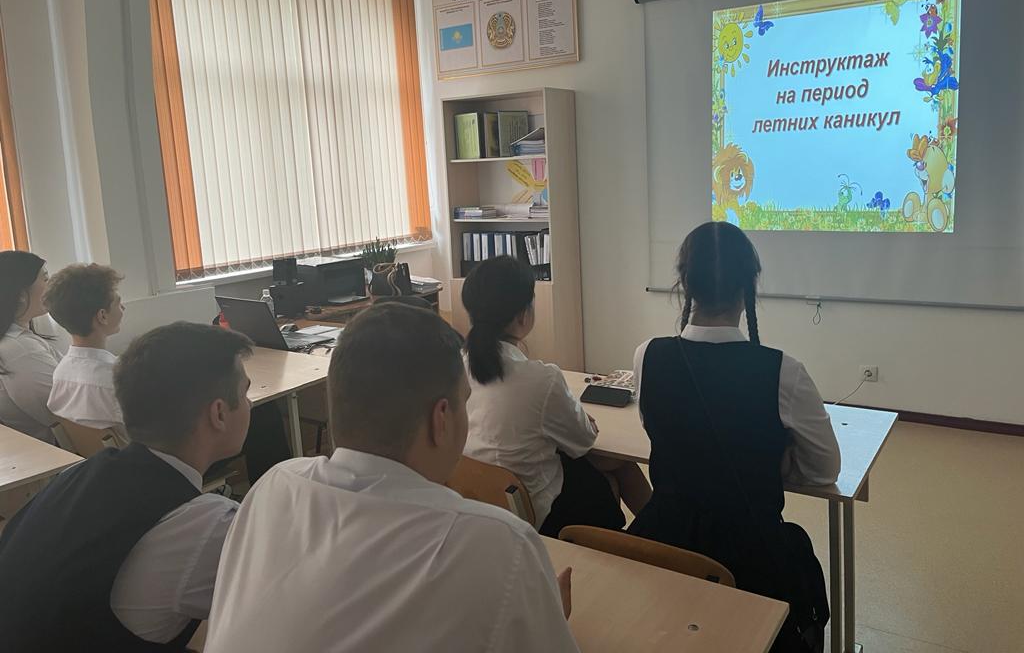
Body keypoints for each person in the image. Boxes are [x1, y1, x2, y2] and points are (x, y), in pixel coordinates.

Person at [204, 303, 579, 653]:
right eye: (464, 403)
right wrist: (541, 615)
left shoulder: (272, 487)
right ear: (442, 419)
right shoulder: (498, 545)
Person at [627, 222, 840, 653]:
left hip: (664, 547)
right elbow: (824, 470)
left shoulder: (647, 356)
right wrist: (773, 461)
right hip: (750, 560)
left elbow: (661, 433)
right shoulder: (784, 371)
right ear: (748, 288)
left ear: (685, 284)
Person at [0, 322, 253, 651]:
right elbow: (282, 606)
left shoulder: (77, 475)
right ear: (218, 413)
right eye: (244, 393)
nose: (249, 404)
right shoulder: (205, 525)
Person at [460, 256, 650, 537]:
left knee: (607, 463)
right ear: (523, 315)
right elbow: (584, 439)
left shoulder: (454, 367)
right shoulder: (542, 379)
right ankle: (655, 541)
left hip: (477, 500)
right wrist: (583, 420)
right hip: (531, 510)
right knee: (615, 467)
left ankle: (652, 537)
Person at [44, 262, 128, 442]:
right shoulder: (118, 379)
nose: (123, 308)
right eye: (119, 303)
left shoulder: (61, 373)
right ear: (102, 316)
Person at [0, 251, 60, 442]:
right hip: (56, 451)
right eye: (45, 279)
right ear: (20, 295)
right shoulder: (20, 350)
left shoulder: (18, 340)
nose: (51, 287)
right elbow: (65, 410)